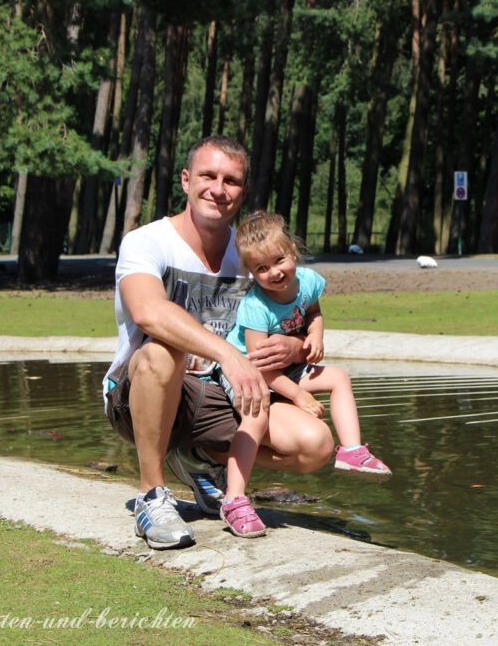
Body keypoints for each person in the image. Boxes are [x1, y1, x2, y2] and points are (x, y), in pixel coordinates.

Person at [102, 135, 334, 550]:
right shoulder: (146, 241)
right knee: (161, 350)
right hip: (140, 391)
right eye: (208, 176)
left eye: (231, 180)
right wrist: (227, 353)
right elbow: (148, 312)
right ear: (186, 180)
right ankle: (152, 496)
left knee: (314, 445)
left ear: (242, 192)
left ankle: (198, 459)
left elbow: (292, 316)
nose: (218, 188)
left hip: (220, 395)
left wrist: (297, 348)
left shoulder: (249, 258)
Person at [215, 212, 391, 538]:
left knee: (339, 377)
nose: (274, 272)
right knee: (257, 413)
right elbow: (259, 367)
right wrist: (298, 395)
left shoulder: (308, 281)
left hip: (286, 369)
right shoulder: (255, 307)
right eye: (261, 269)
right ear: (251, 272)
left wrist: (317, 335)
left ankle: (352, 450)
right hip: (247, 372)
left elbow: (314, 312)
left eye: (279, 260)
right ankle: (235, 497)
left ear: (292, 252)